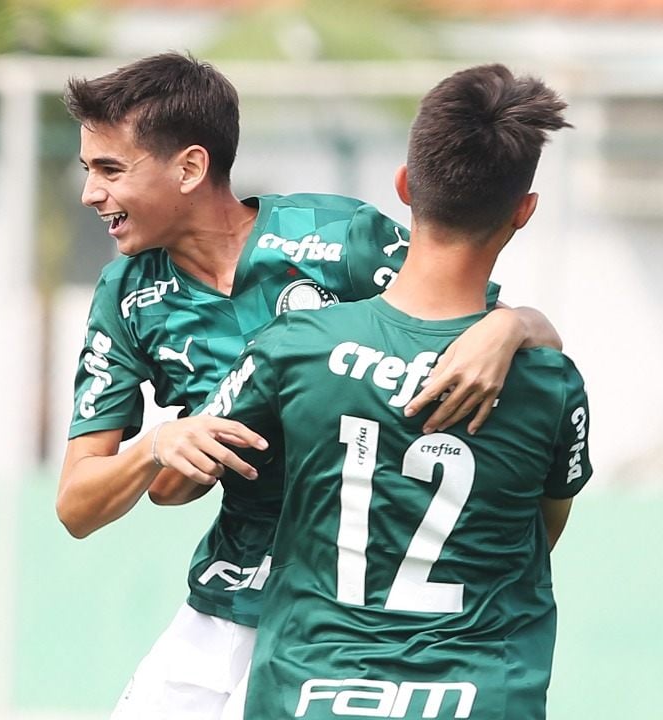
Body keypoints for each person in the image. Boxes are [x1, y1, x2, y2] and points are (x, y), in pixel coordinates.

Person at [55, 53, 563, 719]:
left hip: (350, 617)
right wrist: (158, 444)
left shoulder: (338, 237)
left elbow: (477, 328)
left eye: (109, 169)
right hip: (228, 599)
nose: (90, 192)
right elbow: (76, 505)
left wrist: (512, 326)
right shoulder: (124, 297)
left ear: (189, 168)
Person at [190, 63, 590, 719]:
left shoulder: (295, 346)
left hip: (308, 695)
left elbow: (184, 475)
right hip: (482, 697)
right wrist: (516, 325)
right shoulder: (549, 385)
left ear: (403, 186)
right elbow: (540, 535)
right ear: (524, 212)